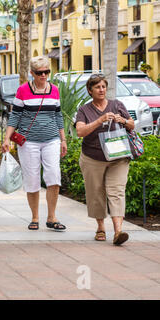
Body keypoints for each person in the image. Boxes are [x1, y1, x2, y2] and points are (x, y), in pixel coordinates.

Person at [2, 56, 67, 231]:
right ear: (32, 73)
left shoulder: (54, 90)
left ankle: (52, 217)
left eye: (47, 72)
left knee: (54, 176)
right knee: (32, 179)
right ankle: (35, 217)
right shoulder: (23, 90)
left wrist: (63, 139)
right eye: (40, 73)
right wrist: (7, 138)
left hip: (51, 139)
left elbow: (58, 115)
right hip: (28, 141)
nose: (44, 75)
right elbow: (15, 115)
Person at [75, 74, 134, 245]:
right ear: (90, 90)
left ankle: (118, 231)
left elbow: (132, 124)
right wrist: (99, 120)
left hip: (118, 157)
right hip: (92, 157)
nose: (101, 90)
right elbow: (80, 132)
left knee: (116, 192)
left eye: (103, 87)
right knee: (96, 193)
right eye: (97, 87)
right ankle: (100, 227)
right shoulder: (84, 110)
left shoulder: (117, 105)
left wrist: (123, 120)